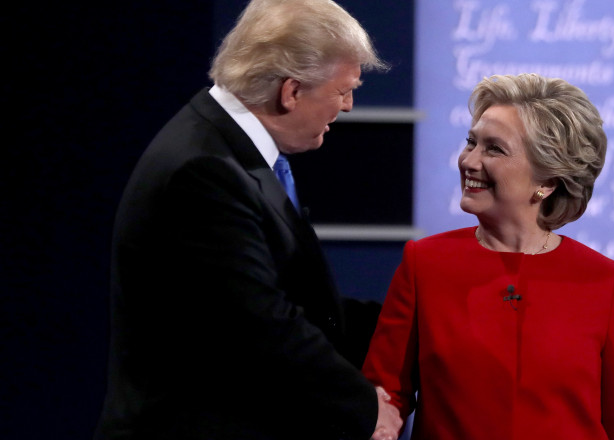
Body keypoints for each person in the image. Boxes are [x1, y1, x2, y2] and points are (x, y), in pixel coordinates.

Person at [94, 1, 402, 439]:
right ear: (291, 91)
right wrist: (363, 406)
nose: (349, 106)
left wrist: (416, 326)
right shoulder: (203, 172)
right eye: (342, 90)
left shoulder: (227, 149)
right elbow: (259, 324)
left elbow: (297, 304)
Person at [362, 73, 614, 440]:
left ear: (547, 180)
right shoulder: (424, 263)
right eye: (471, 142)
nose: (469, 161)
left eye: (493, 149)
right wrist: (382, 418)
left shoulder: (604, 280)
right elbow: (384, 389)